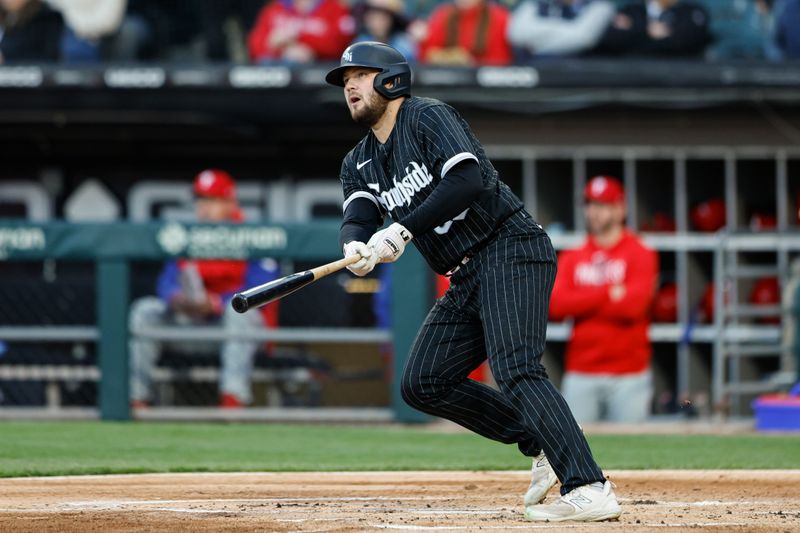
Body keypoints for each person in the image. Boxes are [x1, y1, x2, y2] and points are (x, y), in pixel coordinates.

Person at [325, 41, 621, 522]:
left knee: (517, 367)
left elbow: (468, 182)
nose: (350, 85)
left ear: (390, 78)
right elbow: (358, 213)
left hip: (509, 246)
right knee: (423, 382)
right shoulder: (358, 160)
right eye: (344, 80)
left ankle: (590, 486)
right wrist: (354, 247)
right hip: (465, 273)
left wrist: (401, 229)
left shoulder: (426, 117)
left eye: (359, 74)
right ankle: (539, 440)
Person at [129, 169, 280, 409]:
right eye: (201, 200)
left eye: (213, 200)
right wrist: (176, 299)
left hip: (235, 329)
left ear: (230, 202)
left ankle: (233, 401)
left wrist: (217, 302)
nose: (205, 207)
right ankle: (136, 399)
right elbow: (166, 282)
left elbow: (262, 291)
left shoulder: (252, 236)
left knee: (238, 313)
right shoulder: (188, 236)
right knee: (145, 310)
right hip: (192, 324)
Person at [549, 176, 659, 424]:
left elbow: (634, 306)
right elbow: (555, 305)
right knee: (575, 448)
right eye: (590, 205)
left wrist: (582, 300)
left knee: (631, 453)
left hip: (629, 374)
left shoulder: (641, 252)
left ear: (621, 208)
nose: (594, 212)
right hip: (581, 372)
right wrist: (608, 292)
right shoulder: (573, 256)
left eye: (602, 205)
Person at [247, 0, 355, 64]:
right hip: (276, 69)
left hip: (320, 71)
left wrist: (300, 39)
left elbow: (339, 45)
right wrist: (280, 49)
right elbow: (255, 46)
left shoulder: (334, 7)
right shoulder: (274, 9)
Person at [593, 0, 710, 57]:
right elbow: (611, 40)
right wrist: (646, 30)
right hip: (631, 74)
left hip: (681, 77)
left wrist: (633, 31)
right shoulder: (632, 10)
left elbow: (684, 43)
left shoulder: (692, 12)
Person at [508, 0, 615, 58]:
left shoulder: (600, 5)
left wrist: (535, 45)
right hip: (534, 76)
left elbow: (582, 38)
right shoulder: (537, 4)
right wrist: (566, 29)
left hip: (580, 81)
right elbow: (515, 34)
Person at [418, 0, 513, 65]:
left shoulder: (499, 17)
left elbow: (500, 62)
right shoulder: (443, 14)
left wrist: (470, 61)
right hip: (447, 87)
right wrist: (452, 58)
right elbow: (427, 54)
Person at [352, 0, 417, 61]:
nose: (377, 23)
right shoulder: (359, 45)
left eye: (382, 18)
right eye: (373, 18)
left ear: (392, 19)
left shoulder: (404, 46)